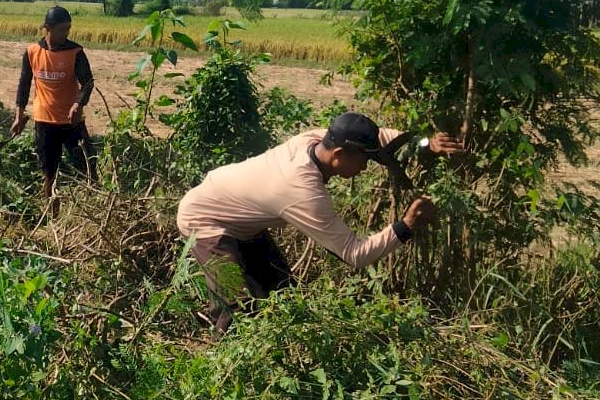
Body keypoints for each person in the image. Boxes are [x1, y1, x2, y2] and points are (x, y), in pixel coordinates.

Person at [177, 111, 463, 332]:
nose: (365, 168)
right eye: (363, 161)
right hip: (205, 221)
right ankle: (225, 383)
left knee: (282, 296)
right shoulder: (301, 190)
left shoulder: (315, 140)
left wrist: (425, 144)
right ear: (339, 155)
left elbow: (381, 141)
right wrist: (406, 226)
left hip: (236, 217)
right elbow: (354, 254)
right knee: (235, 310)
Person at [11, 5, 95, 210]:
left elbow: (88, 82)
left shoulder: (75, 52)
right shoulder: (32, 52)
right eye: (61, 29)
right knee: (49, 170)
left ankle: (95, 204)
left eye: (68, 29)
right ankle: (51, 211)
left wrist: (78, 104)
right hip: (44, 121)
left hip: (71, 120)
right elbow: (24, 84)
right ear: (47, 28)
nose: (66, 33)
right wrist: (19, 115)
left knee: (89, 164)